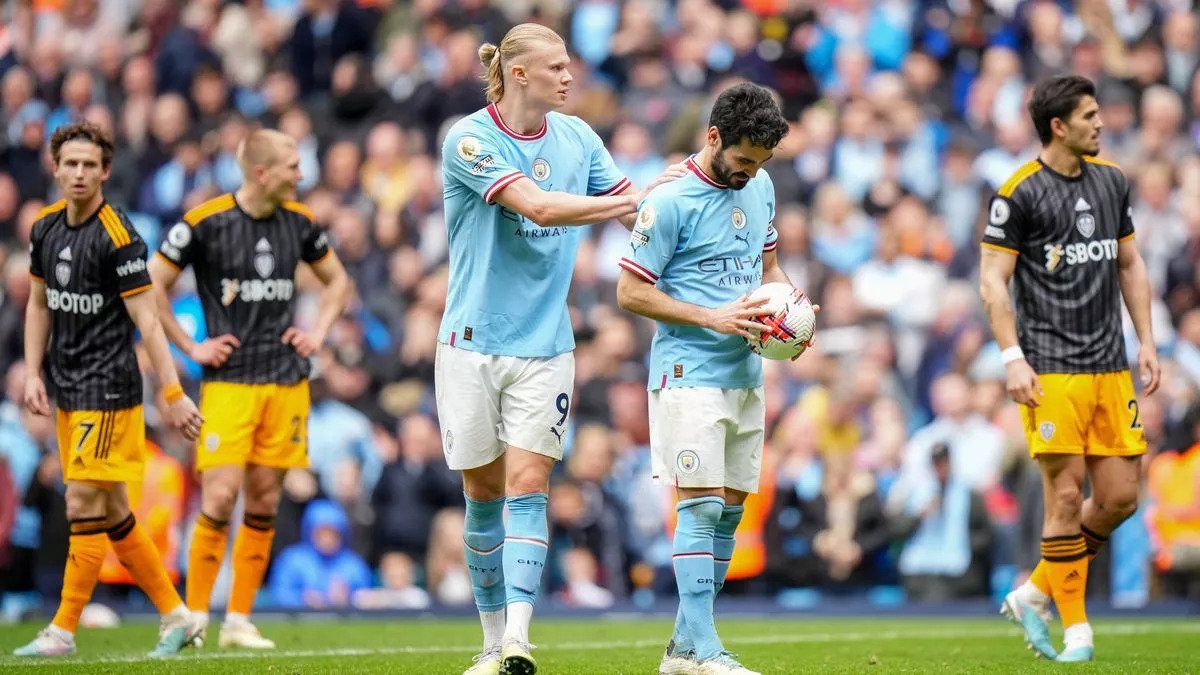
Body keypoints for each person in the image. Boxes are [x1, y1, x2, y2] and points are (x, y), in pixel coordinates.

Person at [436, 23, 681, 675]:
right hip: (469, 345)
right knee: (482, 495)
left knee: (529, 482)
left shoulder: (579, 138)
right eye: (556, 67)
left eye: (570, 65)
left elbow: (634, 214)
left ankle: (517, 638)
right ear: (519, 75)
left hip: (546, 347)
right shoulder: (469, 139)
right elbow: (540, 208)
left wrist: (681, 212)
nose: (570, 76)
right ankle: (490, 641)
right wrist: (630, 200)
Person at [616, 82, 796, 675]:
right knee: (700, 504)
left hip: (745, 370)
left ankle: (684, 649)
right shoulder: (668, 201)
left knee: (731, 509)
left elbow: (768, 266)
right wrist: (712, 317)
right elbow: (630, 291)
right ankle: (705, 648)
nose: (751, 172)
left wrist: (791, 304)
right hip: (687, 371)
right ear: (713, 137)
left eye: (761, 163)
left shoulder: (762, 186)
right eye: (744, 160)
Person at [148, 128, 352, 648]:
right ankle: (192, 616)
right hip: (229, 382)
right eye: (292, 166)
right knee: (219, 494)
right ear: (262, 173)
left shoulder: (301, 224)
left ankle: (238, 619)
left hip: (286, 381)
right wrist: (189, 347)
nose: (301, 174)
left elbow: (339, 282)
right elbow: (150, 287)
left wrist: (320, 332)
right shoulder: (204, 223)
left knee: (263, 498)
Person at [979, 74, 1160, 662]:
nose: (1101, 123)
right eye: (1089, 116)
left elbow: (1128, 264)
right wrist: (1012, 357)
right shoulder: (1018, 194)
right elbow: (992, 282)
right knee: (1063, 495)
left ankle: (1034, 590)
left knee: (1120, 498)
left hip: (1111, 366)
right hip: (1051, 368)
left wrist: (1149, 342)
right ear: (1058, 126)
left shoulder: (1112, 182)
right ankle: (1076, 628)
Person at [14, 121, 205, 658]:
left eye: (89, 165)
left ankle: (63, 630)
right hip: (68, 388)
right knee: (114, 512)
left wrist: (171, 393)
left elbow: (147, 319)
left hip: (110, 388)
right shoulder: (44, 228)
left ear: (105, 171)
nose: (78, 173)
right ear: (55, 168)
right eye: (70, 163)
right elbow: (37, 304)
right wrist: (33, 372)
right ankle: (178, 614)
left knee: (81, 503)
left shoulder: (118, 235)